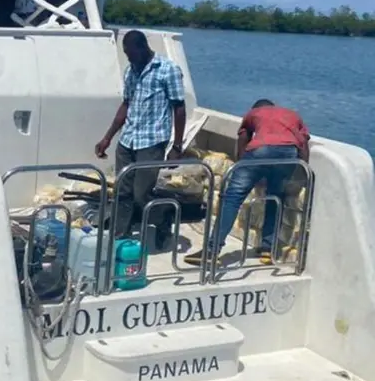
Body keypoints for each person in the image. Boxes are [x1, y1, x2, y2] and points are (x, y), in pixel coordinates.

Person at [184, 100, 309, 267]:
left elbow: (243, 137)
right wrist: (303, 169)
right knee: (275, 197)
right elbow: (303, 144)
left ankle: (210, 251)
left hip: (260, 151)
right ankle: (268, 249)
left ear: (257, 108)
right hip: (288, 153)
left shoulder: (255, 113)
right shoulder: (292, 115)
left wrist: (243, 164)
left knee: (233, 198)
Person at [95, 30, 186, 248]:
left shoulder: (168, 70)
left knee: (140, 194)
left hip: (152, 140)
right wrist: (108, 137)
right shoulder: (130, 72)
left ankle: (164, 217)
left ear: (143, 47)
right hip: (128, 140)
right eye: (126, 54)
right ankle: (120, 236)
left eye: (131, 53)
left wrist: (177, 146)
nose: (129, 57)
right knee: (121, 192)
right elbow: (126, 105)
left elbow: (179, 108)